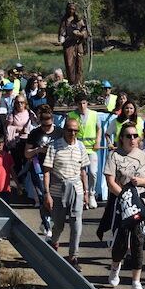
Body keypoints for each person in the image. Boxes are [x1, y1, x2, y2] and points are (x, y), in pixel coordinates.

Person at [104, 122, 145, 289]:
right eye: (128, 136)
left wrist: (141, 182)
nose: (132, 139)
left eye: (135, 136)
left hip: (141, 205)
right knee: (120, 241)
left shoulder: (144, 157)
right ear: (122, 138)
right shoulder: (114, 156)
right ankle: (115, 267)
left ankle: (136, 283)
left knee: (137, 241)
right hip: (122, 204)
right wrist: (125, 197)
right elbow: (110, 181)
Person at [42, 117, 90, 271]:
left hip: (76, 189)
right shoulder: (54, 146)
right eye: (70, 130)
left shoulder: (81, 147)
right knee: (59, 224)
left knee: (76, 223)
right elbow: (47, 171)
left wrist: (87, 192)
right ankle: (54, 242)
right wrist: (47, 193)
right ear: (64, 130)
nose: (73, 133)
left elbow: (83, 172)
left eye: (76, 130)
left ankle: (73, 256)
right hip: (58, 190)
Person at [25, 105, 63, 238]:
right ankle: (48, 226)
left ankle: (47, 220)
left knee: (54, 198)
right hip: (39, 168)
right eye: (44, 126)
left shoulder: (60, 132)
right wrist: (38, 150)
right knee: (43, 197)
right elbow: (27, 153)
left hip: (55, 168)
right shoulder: (34, 133)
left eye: (49, 125)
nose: (47, 128)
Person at [68, 92, 103, 209]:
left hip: (91, 148)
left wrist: (98, 141)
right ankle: (82, 194)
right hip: (78, 148)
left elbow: (99, 129)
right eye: (79, 103)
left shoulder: (94, 114)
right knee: (79, 174)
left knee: (93, 172)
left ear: (87, 103)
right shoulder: (72, 115)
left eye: (84, 103)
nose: (82, 106)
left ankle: (92, 193)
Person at [57, 1, 88, 85]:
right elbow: (62, 33)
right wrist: (61, 41)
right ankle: (72, 84)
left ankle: (79, 84)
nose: (71, 11)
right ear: (67, 9)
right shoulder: (65, 20)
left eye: (73, 9)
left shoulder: (79, 20)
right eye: (70, 9)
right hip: (68, 46)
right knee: (70, 66)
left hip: (78, 45)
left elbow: (84, 30)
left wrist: (81, 34)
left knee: (79, 66)